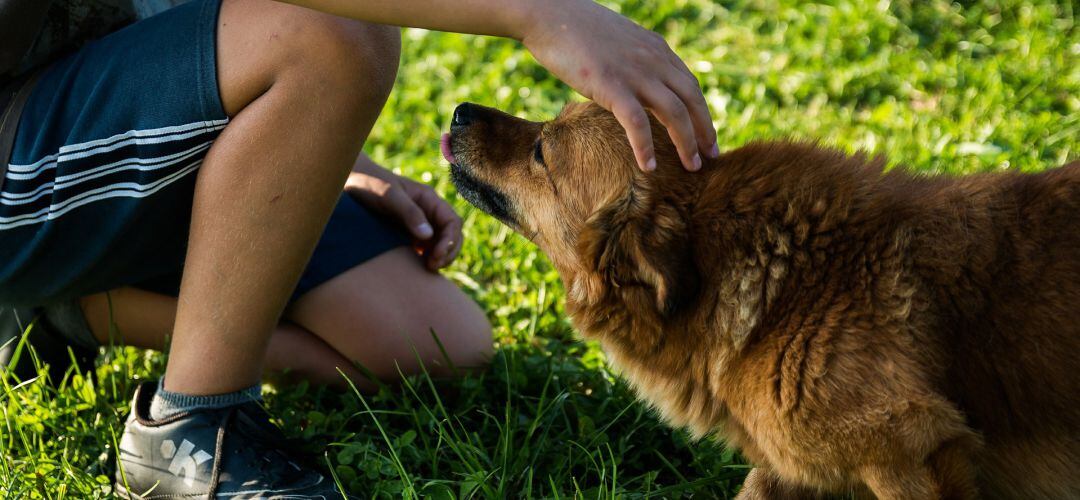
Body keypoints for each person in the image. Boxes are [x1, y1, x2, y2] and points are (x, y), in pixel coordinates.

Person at [0, 0, 717, 496]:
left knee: (435, 344)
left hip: (120, 100)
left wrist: (319, 146)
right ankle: (192, 430)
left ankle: (69, 311)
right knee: (342, 36)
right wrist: (542, 14)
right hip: (18, 137)